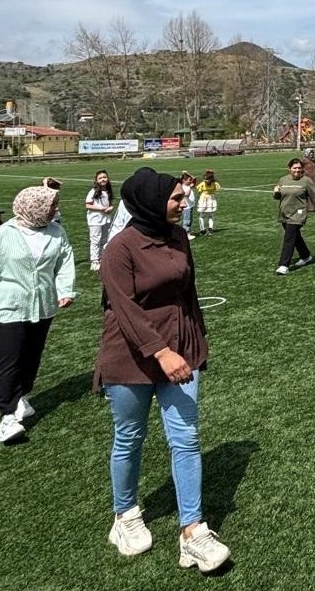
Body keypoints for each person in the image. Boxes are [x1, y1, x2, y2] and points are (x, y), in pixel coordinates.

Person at [96, 167, 230, 571]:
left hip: (181, 348)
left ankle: (193, 530)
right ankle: (125, 515)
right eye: (175, 198)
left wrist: (195, 344)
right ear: (151, 202)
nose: (183, 201)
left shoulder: (177, 237)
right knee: (129, 437)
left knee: (186, 438)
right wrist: (161, 352)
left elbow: (188, 294)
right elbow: (124, 309)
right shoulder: (119, 248)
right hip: (129, 356)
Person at [0, 185, 76, 444]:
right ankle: (7, 417)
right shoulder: (3, 235)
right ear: (34, 207)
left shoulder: (57, 232)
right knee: (11, 357)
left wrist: (65, 290)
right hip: (5, 308)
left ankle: (21, 395)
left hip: (42, 307)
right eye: (52, 206)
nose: (55, 210)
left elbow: (65, 262)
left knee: (31, 357)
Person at [272, 157, 315, 275]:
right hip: (284, 213)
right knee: (295, 237)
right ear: (289, 169)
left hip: (298, 213)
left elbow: (314, 196)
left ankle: (283, 265)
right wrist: (275, 192)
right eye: (295, 168)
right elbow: (278, 197)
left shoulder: (306, 181)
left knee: (289, 238)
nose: (297, 170)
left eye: (299, 168)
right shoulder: (283, 180)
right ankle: (305, 256)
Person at [85, 170, 115, 271]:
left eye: (104, 177)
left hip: (106, 219)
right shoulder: (93, 191)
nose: (103, 179)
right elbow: (88, 205)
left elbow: (109, 204)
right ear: (96, 180)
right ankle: (94, 261)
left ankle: (102, 258)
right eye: (100, 178)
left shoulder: (108, 190)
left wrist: (111, 208)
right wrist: (101, 209)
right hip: (95, 220)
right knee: (95, 240)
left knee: (105, 239)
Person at [194, 170, 221, 235]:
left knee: (209, 215)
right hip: (205, 198)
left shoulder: (214, 183)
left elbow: (199, 190)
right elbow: (199, 189)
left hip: (209, 198)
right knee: (203, 215)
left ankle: (210, 229)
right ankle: (202, 229)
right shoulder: (204, 183)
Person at [179, 172, 197, 240]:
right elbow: (187, 195)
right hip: (186, 207)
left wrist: (188, 173)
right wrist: (189, 187)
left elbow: (194, 179)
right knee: (187, 220)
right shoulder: (183, 187)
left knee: (190, 220)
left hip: (190, 206)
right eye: (189, 180)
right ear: (184, 180)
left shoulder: (188, 186)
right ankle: (186, 234)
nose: (190, 181)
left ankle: (188, 232)